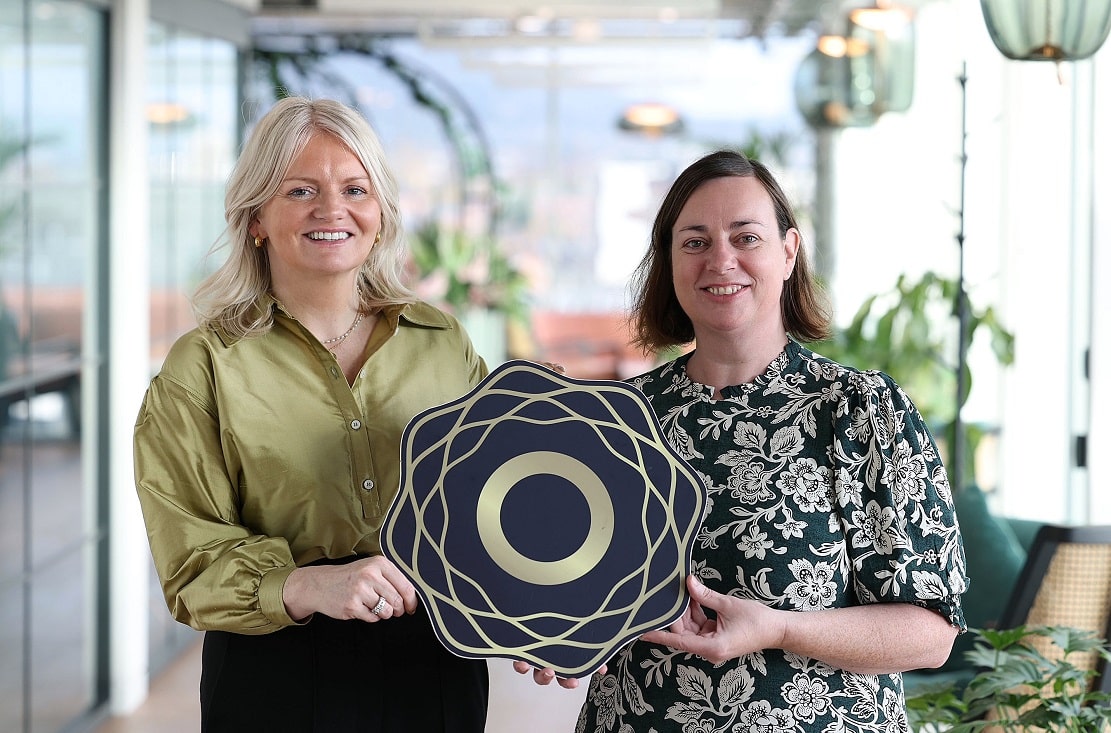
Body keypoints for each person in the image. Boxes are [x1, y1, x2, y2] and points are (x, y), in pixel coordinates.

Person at [518, 150, 968, 732]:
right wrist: (555, 637)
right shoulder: (617, 421)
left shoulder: (859, 412)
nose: (720, 260)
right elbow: (568, 585)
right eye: (695, 242)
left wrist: (782, 628)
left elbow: (929, 635)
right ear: (670, 264)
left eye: (745, 237)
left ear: (788, 251)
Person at [133, 96, 490, 732]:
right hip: (277, 669)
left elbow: (493, 501)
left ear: (379, 212)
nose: (333, 210)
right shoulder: (204, 366)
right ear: (255, 219)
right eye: (301, 190)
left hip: (436, 661)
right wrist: (308, 586)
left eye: (356, 188)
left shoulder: (442, 342)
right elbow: (190, 564)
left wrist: (561, 613)